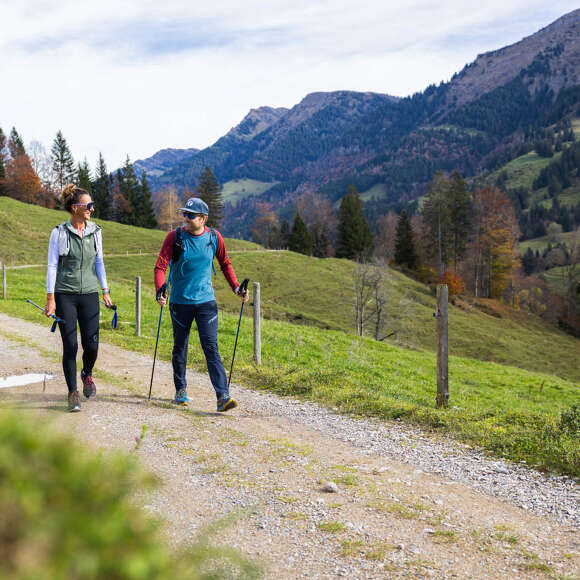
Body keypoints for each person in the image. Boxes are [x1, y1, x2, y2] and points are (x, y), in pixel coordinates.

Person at [154, 197, 248, 412]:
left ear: (203, 218)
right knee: (180, 347)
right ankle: (180, 390)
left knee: (211, 347)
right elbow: (160, 267)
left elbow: (225, 263)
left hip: (206, 302)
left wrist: (236, 288)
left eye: (190, 215)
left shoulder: (214, 237)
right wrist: (161, 289)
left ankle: (222, 396)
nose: (185, 218)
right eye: (184, 214)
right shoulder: (174, 237)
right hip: (180, 302)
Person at [45, 184, 113, 412]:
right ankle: (73, 392)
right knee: (71, 345)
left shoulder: (96, 231)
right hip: (65, 294)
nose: (92, 209)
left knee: (92, 345)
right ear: (75, 208)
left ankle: (87, 373)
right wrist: (51, 298)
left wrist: (105, 290)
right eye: (88, 205)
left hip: (90, 294)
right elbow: (52, 266)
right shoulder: (58, 233)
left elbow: (99, 262)